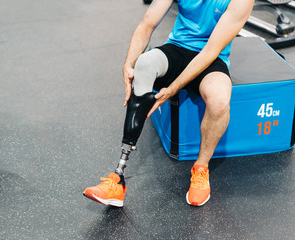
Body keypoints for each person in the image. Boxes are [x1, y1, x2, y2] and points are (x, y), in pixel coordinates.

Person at [84, 0, 254, 207]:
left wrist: (173, 88)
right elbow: (147, 24)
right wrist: (129, 64)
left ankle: (201, 168)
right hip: (177, 48)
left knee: (219, 100)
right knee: (144, 63)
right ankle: (118, 179)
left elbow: (210, 51)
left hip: (212, 58)